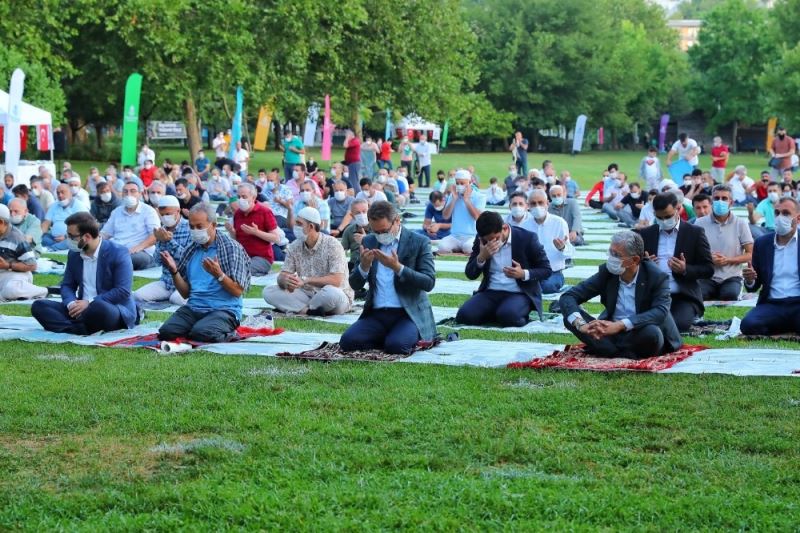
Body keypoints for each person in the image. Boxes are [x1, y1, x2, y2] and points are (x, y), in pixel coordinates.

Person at [559, 231, 682, 358]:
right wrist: (582, 325)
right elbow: (568, 297)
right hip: (609, 331)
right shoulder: (607, 273)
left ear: (634, 260)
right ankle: (618, 350)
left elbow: (660, 311)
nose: (611, 258)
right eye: (611, 252)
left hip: (639, 329)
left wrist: (620, 325)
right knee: (571, 318)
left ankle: (608, 349)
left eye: (616, 255)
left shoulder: (656, 277)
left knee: (652, 334)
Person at [338, 201, 437, 354]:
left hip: (407, 313)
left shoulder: (419, 242)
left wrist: (397, 268)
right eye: (375, 232)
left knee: (397, 347)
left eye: (384, 231)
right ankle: (389, 336)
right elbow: (354, 284)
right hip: (377, 314)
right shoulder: (369, 241)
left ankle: (405, 334)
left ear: (397, 220)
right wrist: (363, 267)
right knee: (347, 342)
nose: (380, 236)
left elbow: (429, 282)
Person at [157, 203, 251, 342]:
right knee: (166, 333)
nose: (195, 230)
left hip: (224, 310)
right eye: (191, 227)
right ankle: (199, 327)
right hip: (194, 308)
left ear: (213, 225)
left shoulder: (231, 248)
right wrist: (174, 271)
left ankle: (230, 334)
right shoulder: (191, 249)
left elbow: (238, 291)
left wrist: (219, 275)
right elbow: (185, 293)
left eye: (199, 227)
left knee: (201, 333)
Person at [31, 212, 137, 334]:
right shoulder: (74, 254)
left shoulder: (118, 253)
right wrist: (71, 304)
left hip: (110, 308)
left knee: (99, 307)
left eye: (71, 236)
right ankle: (77, 329)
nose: (68, 240)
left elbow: (122, 291)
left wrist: (89, 302)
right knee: (39, 306)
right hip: (80, 309)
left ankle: (71, 327)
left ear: (86, 237)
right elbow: (67, 285)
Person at [456, 211, 551, 327]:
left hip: (519, 293)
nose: (491, 242)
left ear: (505, 228)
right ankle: (494, 311)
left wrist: (523, 274)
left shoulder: (527, 238)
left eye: (495, 238)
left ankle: (508, 312)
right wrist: (481, 257)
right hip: (490, 291)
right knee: (464, 316)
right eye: (487, 240)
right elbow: (470, 274)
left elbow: (546, 270)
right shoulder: (482, 241)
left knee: (508, 316)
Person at [635, 192, 714, 332]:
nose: (664, 220)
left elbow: (708, 269)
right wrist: (645, 265)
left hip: (683, 295)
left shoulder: (694, 233)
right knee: (638, 323)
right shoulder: (645, 234)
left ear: (678, 208)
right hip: (654, 295)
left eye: (668, 216)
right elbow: (632, 266)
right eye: (659, 217)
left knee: (677, 325)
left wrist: (685, 269)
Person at [263, 207, 352, 315]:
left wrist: (306, 280)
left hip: (334, 296)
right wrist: (284, 280)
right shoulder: (295, 246)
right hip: (306, 294)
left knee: (331, 293)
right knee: (269, 291)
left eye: (299, 224)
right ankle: (309, 311)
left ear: (311, 226)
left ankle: (298, 308)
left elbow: (336, 280)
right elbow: (283, 275)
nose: (295, 226)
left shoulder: (333, 245)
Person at [741, 196, 800, 335]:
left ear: (798, 219)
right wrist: (750, 280)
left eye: (786, 213)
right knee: (748, 325)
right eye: (777, 213)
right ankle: (789, 325)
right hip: (772, 304)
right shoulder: (762, 243)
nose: (780, 217)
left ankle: (786, 324)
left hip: (798, 303)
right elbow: (754, 285)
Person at [694, 185, 754, 301]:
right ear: (712, 201)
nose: (720, 201)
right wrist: (709, 259)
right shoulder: (699, 223)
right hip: (707, 275)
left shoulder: (740, 223)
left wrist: (728, 260)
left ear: (731, 202)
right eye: (716, 198)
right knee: (701, 296)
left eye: (724, 198)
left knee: (729, 296)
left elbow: (750, 254)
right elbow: (692, 251)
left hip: (732, 276)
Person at [133, 196, 191, 306]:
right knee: (138, 295)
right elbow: (156, 261)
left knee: (176, 299)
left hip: (185, 282)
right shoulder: (161, 231)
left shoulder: (189, 228)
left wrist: (169, 241)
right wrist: (160, 241)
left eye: (168, 214)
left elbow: (187, 260)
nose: (165, 217)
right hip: (166, 282)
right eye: (162, 214)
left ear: (178, 211)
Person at [101, 182, 160, 270]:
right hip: (118, 249)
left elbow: (155, 235)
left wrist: (139, 247)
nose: (129, 194)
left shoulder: (149, 211)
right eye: (125, 192)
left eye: (133, 191)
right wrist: (93, 241)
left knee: (129, 258)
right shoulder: (117, 211)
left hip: (140, 252)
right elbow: (105, 233)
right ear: (122, 194)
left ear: (140, 194)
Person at [526, 189, 573, 294]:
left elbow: (570, 253)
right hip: (532, 272)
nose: (537, 206)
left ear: (547, 203)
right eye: (533, 203)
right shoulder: (525, 225)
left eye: (540, 202)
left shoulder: (559, 223)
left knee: (547, 287)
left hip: (553, 272)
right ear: (528, 206)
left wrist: (562, 248)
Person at [228, 183, 279, 276]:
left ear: (253, 197)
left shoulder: (264, 211)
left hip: (262, 258)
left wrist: (256, 232)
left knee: (240, 270)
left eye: (244, 197)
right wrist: (232, 232)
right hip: (242, 256)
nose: (240, 200)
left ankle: (259, 272)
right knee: (224, 266)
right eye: (238, 197)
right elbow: (236, 241)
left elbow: (275, 238)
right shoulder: (238, 213)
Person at [0, 204, 46, 301]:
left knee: (11, 290)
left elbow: (32, 266)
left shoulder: (17, 238)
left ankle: (43, 291)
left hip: (15, 275)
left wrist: (8, 265)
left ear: (1, 222)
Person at [437, 169, 486, 254]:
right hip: (455, 236)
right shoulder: (453, 196)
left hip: (472, 236)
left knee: (468, 248)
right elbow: (445, 216)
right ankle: (459, 248)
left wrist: (466, 200)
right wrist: (454, 199)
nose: (459, 186)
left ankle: (460, 249)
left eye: (462, 183)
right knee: (442, 247)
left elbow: (477, 217)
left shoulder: (480, 197)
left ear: (470, 183)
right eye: (457, 183)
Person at [42, 183, 89, 250]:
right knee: (43, 238)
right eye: (58, 193)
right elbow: (46, 222)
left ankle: (51, 248)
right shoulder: (54, 205)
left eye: (63, 192)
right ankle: (54, 247)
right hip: (53, 237)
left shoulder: (79, 205)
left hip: (70, 238)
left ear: (70, 193)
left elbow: (84, 225)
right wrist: (40, 234)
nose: (60, 195)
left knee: (72, 242)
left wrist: (66, 236)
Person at [341, 199, 371, 270]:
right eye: (358, 213)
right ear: (352, 215)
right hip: (354, 264)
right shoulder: (349, 230)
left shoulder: (377, 228)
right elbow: (341, 249)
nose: (362, 215)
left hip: (372, 263)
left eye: (364, 211)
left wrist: (365, 240)